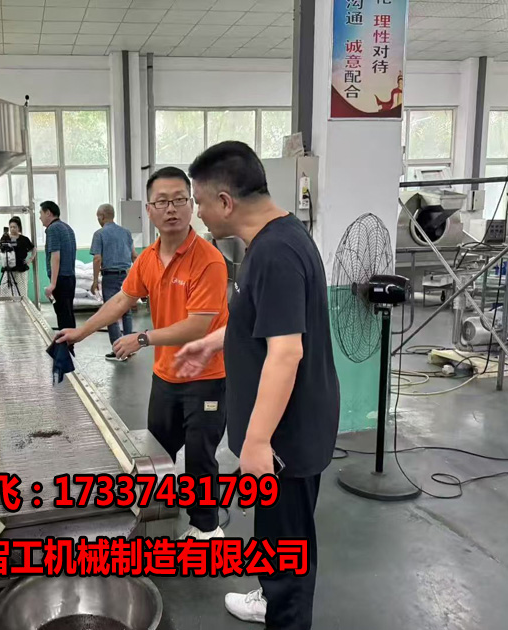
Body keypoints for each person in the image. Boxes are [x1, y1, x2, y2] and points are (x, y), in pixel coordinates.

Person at [175, 141, 340, 629]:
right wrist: (212, 344)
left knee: (287, 545)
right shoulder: (280, 237)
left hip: (286, 436)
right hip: (291, 428)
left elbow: (286, 352)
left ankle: (283, 613)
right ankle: (271, 598)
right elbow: (266, 322)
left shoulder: (274, 253)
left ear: (225, 202)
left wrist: (257, 441)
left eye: (200, 202)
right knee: (277, 536)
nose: (198, 213)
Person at [57, 167, 229, 539]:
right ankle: (158, 519)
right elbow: (122, 299)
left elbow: (198, 326)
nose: (172, 209)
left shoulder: (208, 260)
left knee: (200, 460)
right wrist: (80, 332)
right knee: (157, 453)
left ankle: (206, 530)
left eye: (179, 200)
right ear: (148, 210)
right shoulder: (148, 259)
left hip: (206, 378)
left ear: (191, 205)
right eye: (162, 201)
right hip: (166, 377)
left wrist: (142, 338)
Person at [90, 203, 138, 361]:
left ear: (102, 216)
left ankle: (118, 349)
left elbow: (97, 259)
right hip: (126, 276)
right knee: (126, 311)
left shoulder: (99, 234)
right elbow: (134, 256)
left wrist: (95, 280)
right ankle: (129, 346)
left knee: (111, 313)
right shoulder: (126, 232)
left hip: (109, 277)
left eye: (98, 216)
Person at [40, 200, 77, 329]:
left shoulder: (53, 229)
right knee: (68, 313)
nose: (40, 217)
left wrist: (53, 284)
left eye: (41, 213)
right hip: (70, 277)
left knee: (62, 315)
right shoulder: (67, 228)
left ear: (48, 213)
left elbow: (55, 256)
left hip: (61, 279)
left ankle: (66, 341)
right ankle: (71, 340)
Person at [0, 216, 35, 298]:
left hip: (20, 268)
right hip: (8, 269)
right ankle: (7, 306)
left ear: (19, 228)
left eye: (14, 227)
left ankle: (21, 305)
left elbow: (33, 248)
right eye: (11, 227)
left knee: (21, 291)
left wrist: (30, 259)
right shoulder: (5, 238)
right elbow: (0, 248)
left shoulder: (24, 239)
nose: (12, 229)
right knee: (5, 290)